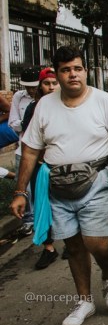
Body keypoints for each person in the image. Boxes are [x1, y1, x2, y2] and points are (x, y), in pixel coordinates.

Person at [10, 46, 108, 325]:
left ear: (85, 71)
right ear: (57, 74)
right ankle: (84, 301)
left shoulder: (102, 101)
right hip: (57, 185)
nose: (73, 74)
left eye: (77, 68)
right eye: (66, 70)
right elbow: (31, 150)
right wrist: (21, 190)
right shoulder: (44, 106)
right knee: (73, 246)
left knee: (98, 243)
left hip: (97, 180)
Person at [21, 67, 60, 269]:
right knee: (42, 205)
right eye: (47, 83)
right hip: (41, 165)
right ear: (41, 85)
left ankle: (73, 242)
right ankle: (49, 247)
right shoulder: (33, 108)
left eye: (54, 83)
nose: (51, 87)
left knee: (66, 203)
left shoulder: (67, 104)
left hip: (63, 165)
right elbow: (28, 142)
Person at [9, 67, 39, 236]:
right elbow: (13, 123)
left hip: (42, 151)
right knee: (23, 185)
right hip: (24, 147)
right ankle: (28, 220)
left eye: (34, 86)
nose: (31, 89)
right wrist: (27, 123)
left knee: (41, 186)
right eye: (27, 86)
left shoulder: (46, 99)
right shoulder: (18, 97)